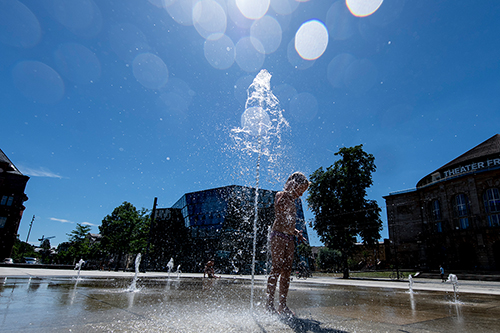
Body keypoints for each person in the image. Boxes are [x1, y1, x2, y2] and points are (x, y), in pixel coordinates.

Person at [266, 172, 309, 317]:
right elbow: (279, 210)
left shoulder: (294, 201)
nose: (300, 195)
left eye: (302, 192)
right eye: (300, 191)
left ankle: (283, 305)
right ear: (293, 185)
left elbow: (288, 223)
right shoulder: (281, 195)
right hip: (278, 235)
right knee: (276, 267)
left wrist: (296, 232)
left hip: (290, 237)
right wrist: (287, 193)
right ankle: (269, 304)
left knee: (287, 271)